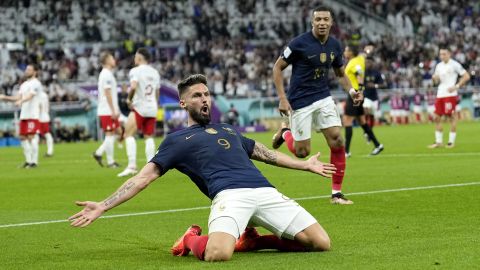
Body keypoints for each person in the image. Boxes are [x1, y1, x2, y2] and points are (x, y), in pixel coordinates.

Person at [69, 74, 337, 262]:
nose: (204, 99)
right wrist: (103, 205)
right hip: (229, 196)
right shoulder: (176, 141)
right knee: (217, 255)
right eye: (197, 95)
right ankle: (189, 239)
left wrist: (305, 165)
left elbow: (265, 153)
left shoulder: (227, 129)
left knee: (320, 243)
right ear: (183, 103)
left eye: (206, 94)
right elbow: (142, 178)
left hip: (264, 190)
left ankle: (256, 241)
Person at [271, 6, 362, 204]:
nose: (321, 23)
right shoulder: (298, 43)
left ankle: (336, 194)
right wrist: (282, 98)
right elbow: (277, 68)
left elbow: (340, 74)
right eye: (318, 19)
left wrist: (352, 92)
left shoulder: (335, 45)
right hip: (300, 101)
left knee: (337, 140)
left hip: (323, 97)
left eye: (325, 20)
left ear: (331, 23)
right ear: (312, 22)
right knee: (302, 152)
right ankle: (285, 132)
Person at [118, 48, 161, 177]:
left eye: (136, 56)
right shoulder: (155, 72)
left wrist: (128, 99)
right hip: (152, 107)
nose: (134, 58)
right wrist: (154, 104)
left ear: (141, 57)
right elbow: (157, 92)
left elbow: (134, 86)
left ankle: (132, 166)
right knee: (148, 136)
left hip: (139, 106)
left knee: (128, 134)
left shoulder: (135, 71)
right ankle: (152, 167)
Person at [342, 45, 383, 157]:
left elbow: (359, 74)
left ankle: (346, 151)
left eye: (346, 50)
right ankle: (378, 145)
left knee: (347, 121)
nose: (344, 52)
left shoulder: (354, 62)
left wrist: (359, 91)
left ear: (351, 52)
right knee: (362, 121)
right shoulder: (359, 59)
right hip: (358, 93)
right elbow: (364, 55)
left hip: (355, 94)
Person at [0, 64, 42, 168]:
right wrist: (5, 97)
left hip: (33, 114)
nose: (26, 71)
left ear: (35, 72)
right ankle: (28, 161)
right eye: (26, 69)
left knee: (32, 137)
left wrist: (21, 101)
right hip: (24, 114)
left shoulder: (36, 83)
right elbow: (17, 97)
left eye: (29, 69)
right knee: (23, 137)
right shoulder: (24, 84)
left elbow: (30, 96)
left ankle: (34, 162)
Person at [429, 47, 470, 148]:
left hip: (450, 94)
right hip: (440, 93)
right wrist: (434, 79)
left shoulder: (454, 64)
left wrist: (456, 86)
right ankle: (438, 142)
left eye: (444, 54)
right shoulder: (438, 66)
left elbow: (466, 76)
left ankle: (451, 142)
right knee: (436, 117)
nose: (442, 56)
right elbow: (436, 81)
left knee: (451, 117)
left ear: (449, 54)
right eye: (440, 54)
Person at [92, 52, 121, 168]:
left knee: (117, 132)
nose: (114, 60)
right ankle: (110, 162)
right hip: (107, 109)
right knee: (110, 134)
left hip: (108, 109)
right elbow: (107, 93)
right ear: (107, 60)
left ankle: (99, 153)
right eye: (112, 58)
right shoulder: (106, 74)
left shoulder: (107, 74)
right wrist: (113, 110)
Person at [363, 56, 386, 128]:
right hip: (366, 96)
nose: (367, 64)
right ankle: (366, 130)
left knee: (372, 115)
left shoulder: (376, 72)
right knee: (366, 111)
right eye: (366, 62)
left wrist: (374, 85)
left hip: (374, 97)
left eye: (369, 62)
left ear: (372, 63)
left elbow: (383, 85)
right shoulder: (362, 72)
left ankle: (370, 131)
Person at [38, 89, 54, 157]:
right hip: (44, 115)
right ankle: (50, 151)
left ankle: (50, 151)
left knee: (46, 133)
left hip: (41, 116)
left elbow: (40, 106)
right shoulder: (44, 95)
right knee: (46, 134)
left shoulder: (39, 95)